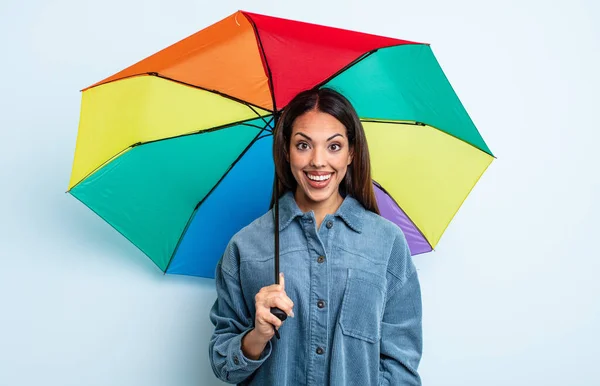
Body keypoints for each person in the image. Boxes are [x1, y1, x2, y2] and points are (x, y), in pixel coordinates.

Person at [209, 88, 422, 385]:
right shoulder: (246, 246)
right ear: (286, 151)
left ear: (352, 153)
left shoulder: (386, 243)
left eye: (333, 146)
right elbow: (224, 365)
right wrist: (258, 335)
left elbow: (401, 367)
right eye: (303, 145)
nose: (318, 161)